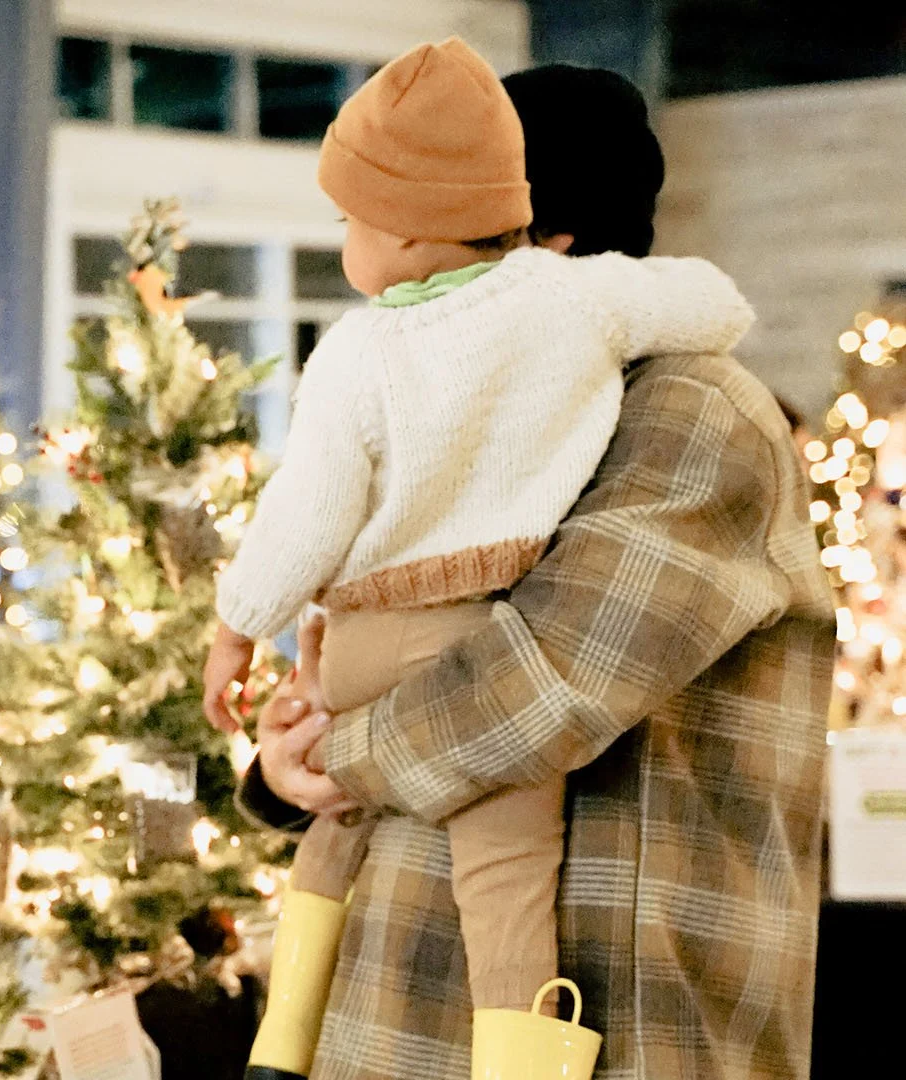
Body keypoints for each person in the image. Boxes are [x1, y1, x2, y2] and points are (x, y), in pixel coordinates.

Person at [238, 63, 833, 1080]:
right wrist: (291, 752)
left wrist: (332, 757)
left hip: (619, 1021)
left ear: (545, 244)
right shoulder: (461, 412)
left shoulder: (692, 413)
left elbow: (545, 682)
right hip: (409, 1008)